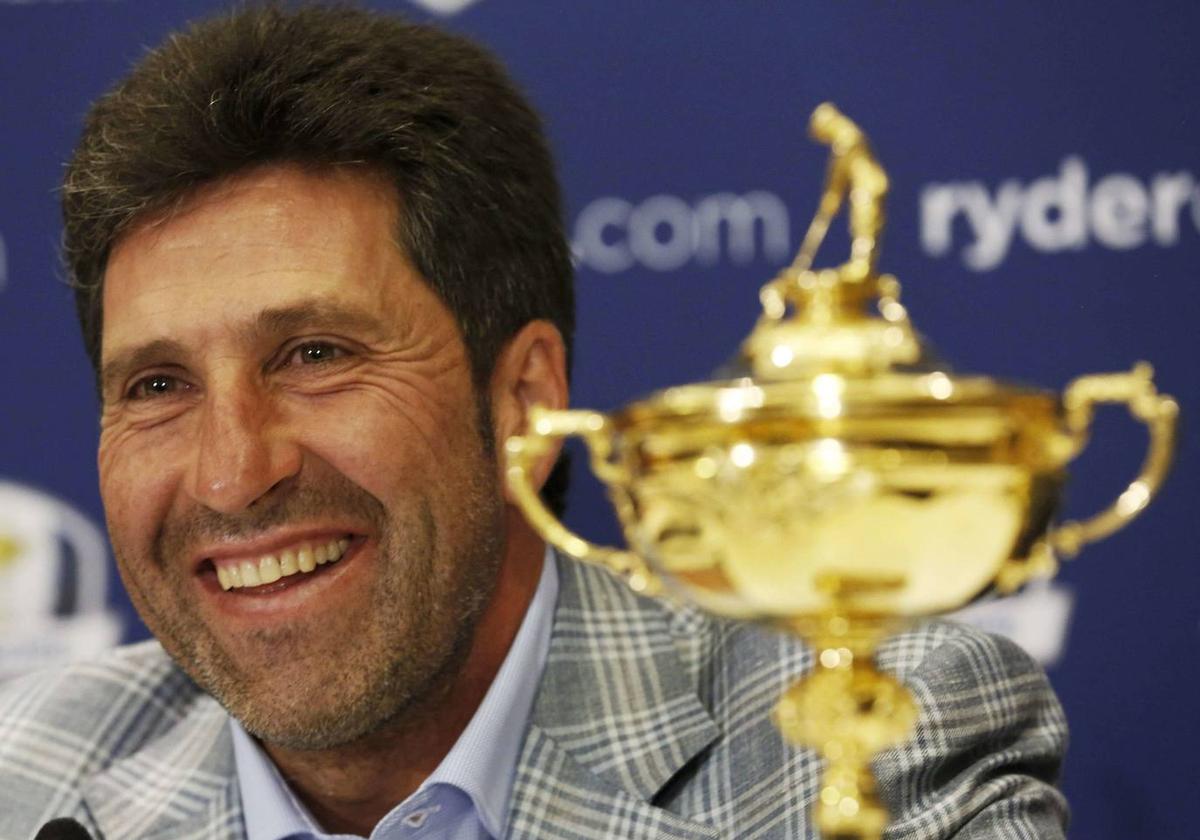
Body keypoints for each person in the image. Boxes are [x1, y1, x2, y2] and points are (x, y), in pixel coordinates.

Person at [0, 5, 1068, 838]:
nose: (232, 476)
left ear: (526, 398)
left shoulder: (875, 732)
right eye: (155, 387)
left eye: (316, 355)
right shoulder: (29, 770)